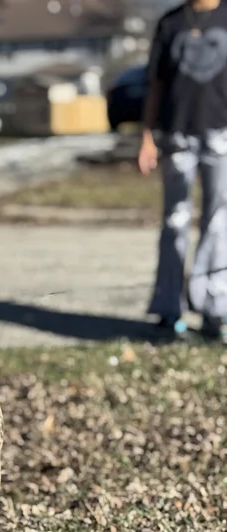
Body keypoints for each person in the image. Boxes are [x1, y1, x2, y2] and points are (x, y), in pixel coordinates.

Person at [139, 0, 227, 342]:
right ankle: (168, 308)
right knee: (175, 221)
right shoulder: (170, 23)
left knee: (218, 220)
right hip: (177, 136)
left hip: (221, 136)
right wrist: (147, 137)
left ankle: (215, 309)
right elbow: (155, 84)